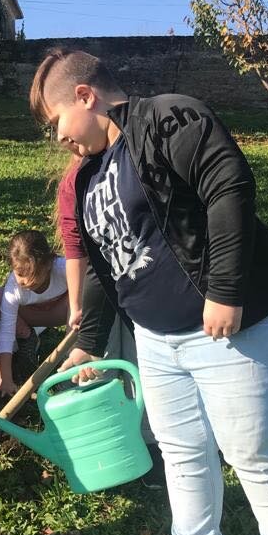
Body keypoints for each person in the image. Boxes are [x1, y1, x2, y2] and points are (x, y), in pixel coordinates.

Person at [30, 48, 268, 535]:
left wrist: (226, 290)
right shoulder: (85, 179)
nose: (57, 137)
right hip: (158, 341)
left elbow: (229, 186)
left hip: (232, 326)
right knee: (182, 451)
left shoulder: (167, 118)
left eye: (56, 120)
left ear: (85, 95)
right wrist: (89, 344)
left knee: (256, 454)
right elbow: (106, 269)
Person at [54, 154, 163, 489]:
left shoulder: (130, 167)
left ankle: (151, 447)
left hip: (139, 281)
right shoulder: (74, 183)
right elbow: (75, 250)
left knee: (139, 366)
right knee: (98, 367)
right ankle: (106, 448)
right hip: (98, 288)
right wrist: (76, 305)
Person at [0, 230, 68, 396]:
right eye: (20, 274)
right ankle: (28, 337)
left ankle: (70, 361)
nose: (26, 281)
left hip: (64, 313)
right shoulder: (13, 288)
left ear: (48, 264)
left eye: (34, 273)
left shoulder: (64, 268)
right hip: (32, 317)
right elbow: (6, 333)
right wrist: (6, 380)